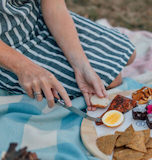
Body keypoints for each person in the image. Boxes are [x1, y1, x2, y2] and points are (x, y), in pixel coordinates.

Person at [0, 0, 136, 111]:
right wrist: (24, 67)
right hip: (10, 47)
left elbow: (55, 5)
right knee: (113, 80)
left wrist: (81, 66)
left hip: (37, 18)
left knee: (129, 54)